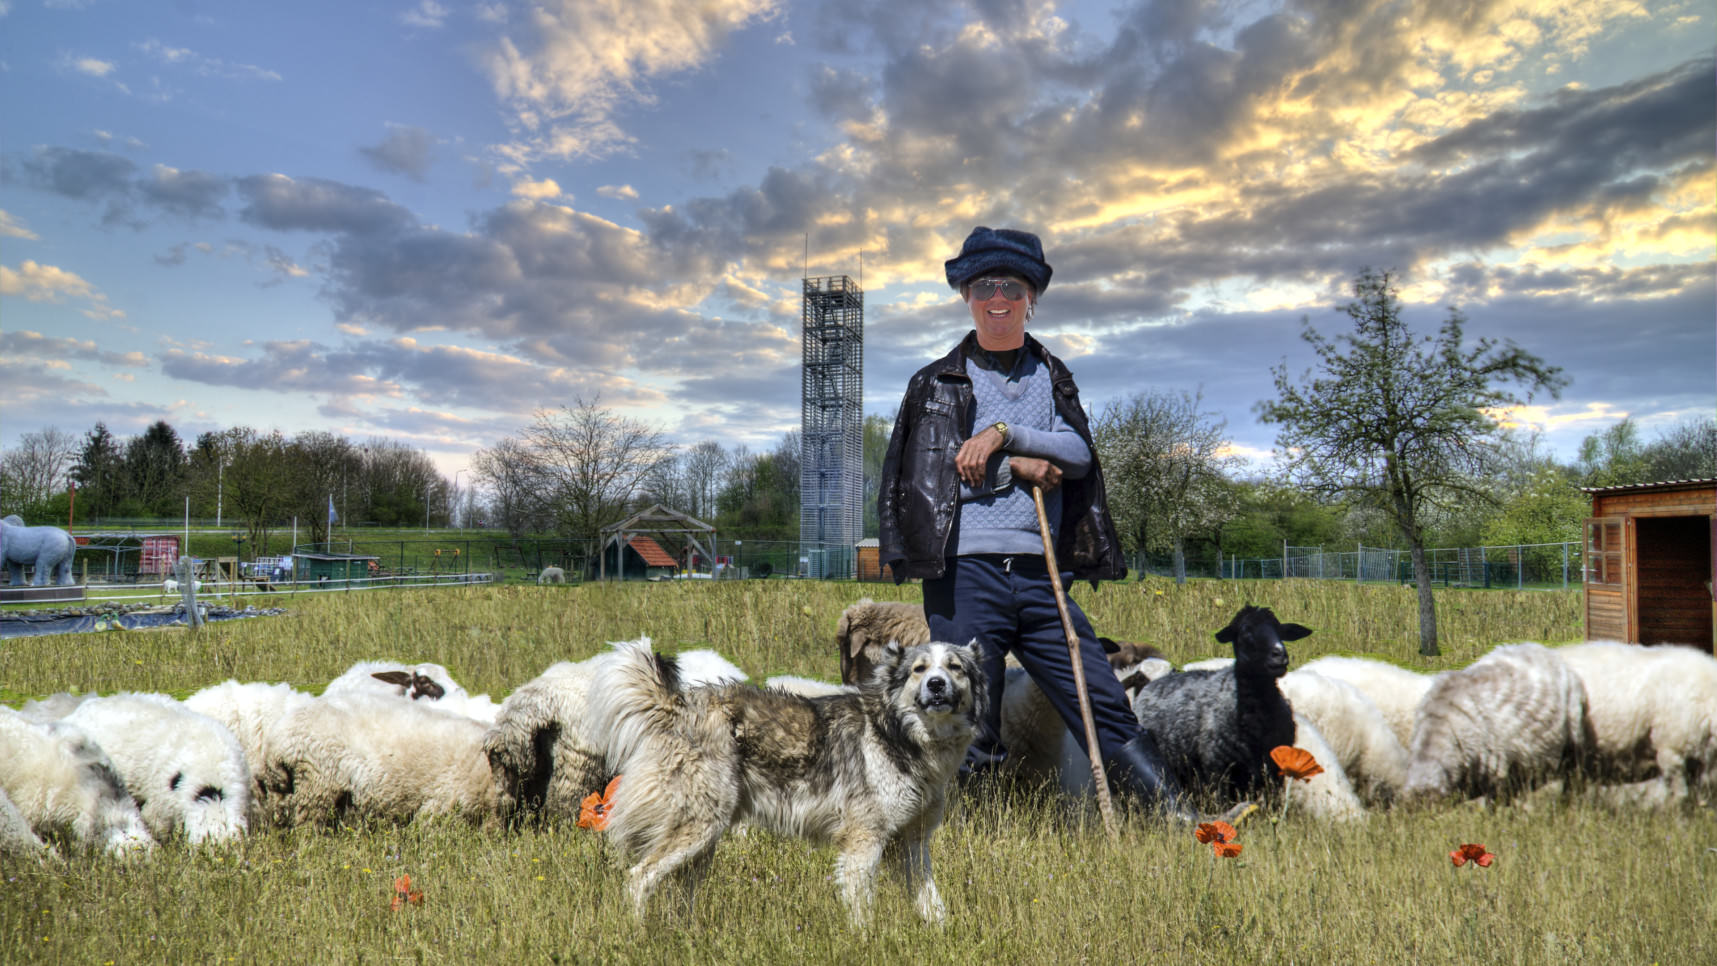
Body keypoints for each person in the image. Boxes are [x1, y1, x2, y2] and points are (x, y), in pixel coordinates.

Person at [878, 225, 1188, 818]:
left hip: (1044, 576)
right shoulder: (934, 384)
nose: (999, 296)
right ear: (966, 296)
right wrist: (1015, 469)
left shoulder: (1052, 375)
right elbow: (925, 481)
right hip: (966, 574)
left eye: (1013, 286)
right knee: (973, 716)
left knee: (1101, 698)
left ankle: (1176, 820)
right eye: (985, 284)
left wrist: (1005, 435)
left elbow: (1077, 454)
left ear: (1031, 298)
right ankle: (975, 842)